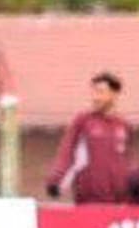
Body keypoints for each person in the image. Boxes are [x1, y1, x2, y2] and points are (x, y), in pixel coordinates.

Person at [46, 72, 131, 203]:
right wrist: (56, 179)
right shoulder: (83, 121)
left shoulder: (123, 125)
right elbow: (67, 151)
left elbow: (126, 160)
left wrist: (129, 189)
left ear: (114, 94)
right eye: (93, 92)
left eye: (100, 92)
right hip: (89, 198)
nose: (95, 97)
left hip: (118, 200)